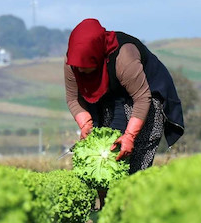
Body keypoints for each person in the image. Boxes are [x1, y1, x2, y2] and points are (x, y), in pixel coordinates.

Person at [64, 18, 185, 207]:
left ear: (98, 56)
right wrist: (85, 123)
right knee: (101, 148)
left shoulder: (124, 57)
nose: (80, 70)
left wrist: (129, 136)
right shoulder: (73, 62)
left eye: (87, 68)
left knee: (136, 148)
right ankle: (106, 207)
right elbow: (73, 98)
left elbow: (142, 98)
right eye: (78, 68)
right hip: (106, 94)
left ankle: (134, 207)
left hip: (145, 93)